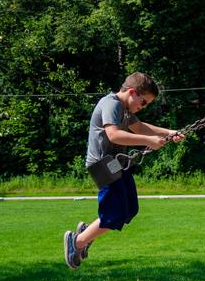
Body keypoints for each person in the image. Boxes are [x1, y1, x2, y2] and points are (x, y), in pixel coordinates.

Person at [64, 72, 184, 269]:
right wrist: (149, 141)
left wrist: (169, 133)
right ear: (132, 92)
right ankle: (76, 242)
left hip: (117, 164)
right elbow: (114, 135)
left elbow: (140, 127)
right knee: (115, 214)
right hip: (102, 166)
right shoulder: (111, 104)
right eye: (143, 102)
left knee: (130, 210)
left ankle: (87, 233)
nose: (143, 106)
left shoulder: (125, 110)